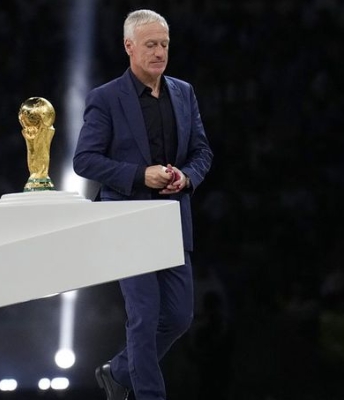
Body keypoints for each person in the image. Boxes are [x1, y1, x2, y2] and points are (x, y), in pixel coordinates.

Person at [73, 9, 213, 400]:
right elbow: (84, 160)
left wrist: (187, 177)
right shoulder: (105, 98)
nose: (159, 52)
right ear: (129, 46)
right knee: (144, 315)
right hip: (127, 220)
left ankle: (118, 372)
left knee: (179, 317)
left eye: (164, 44)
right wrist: (140, 175)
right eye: (151, 45)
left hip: (172, 218)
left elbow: (202, 151)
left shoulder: (183, 92)